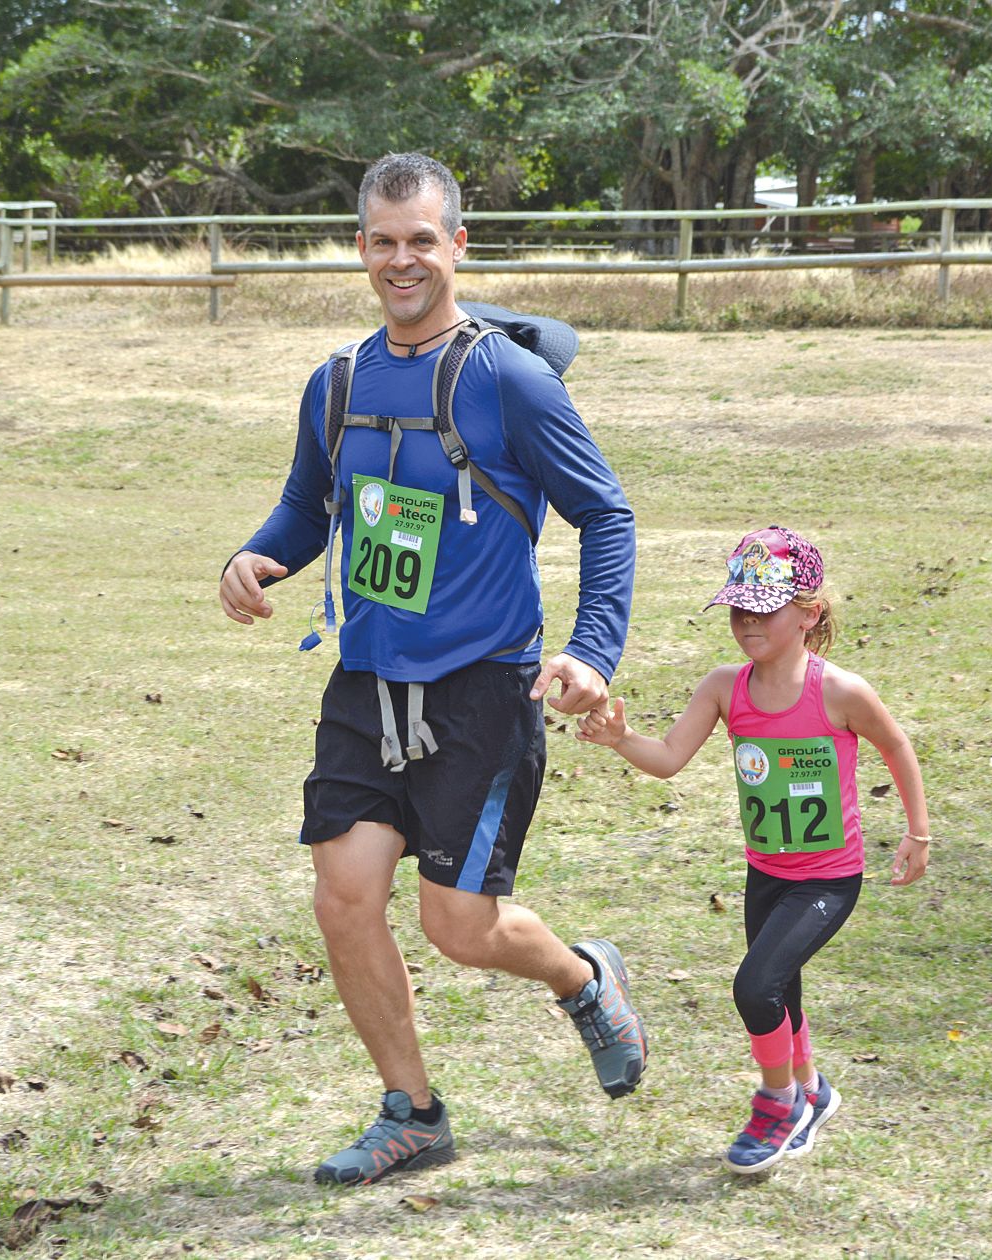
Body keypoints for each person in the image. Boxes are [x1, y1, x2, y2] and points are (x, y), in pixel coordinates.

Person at [218, 152, 647, 1187]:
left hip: (481, 690)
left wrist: (591, 651)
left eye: (421, 239)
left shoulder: (511, 380)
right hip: (366, 681)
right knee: (344, 895)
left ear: (459, 245)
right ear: (360, 247)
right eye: (381, 240)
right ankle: (411, 1113)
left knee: (460, 927)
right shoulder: (340, 381)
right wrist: (253, 554)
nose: (400, 259)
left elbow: (608, 516)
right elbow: (306, 507)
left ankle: (584, 978)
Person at [575, 525, 930, 1175]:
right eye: (739, 608)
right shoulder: (723, 688)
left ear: (808, 613)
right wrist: (622, 740)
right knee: (781, 992)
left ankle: (778, 1102)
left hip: (828, 880)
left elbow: (897, 746)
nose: (747, 622)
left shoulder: (841, 692)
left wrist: (918, 831)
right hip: (765, 873)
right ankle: (813, 1093)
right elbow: (670, 758)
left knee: (755, 987)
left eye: (763, 608)